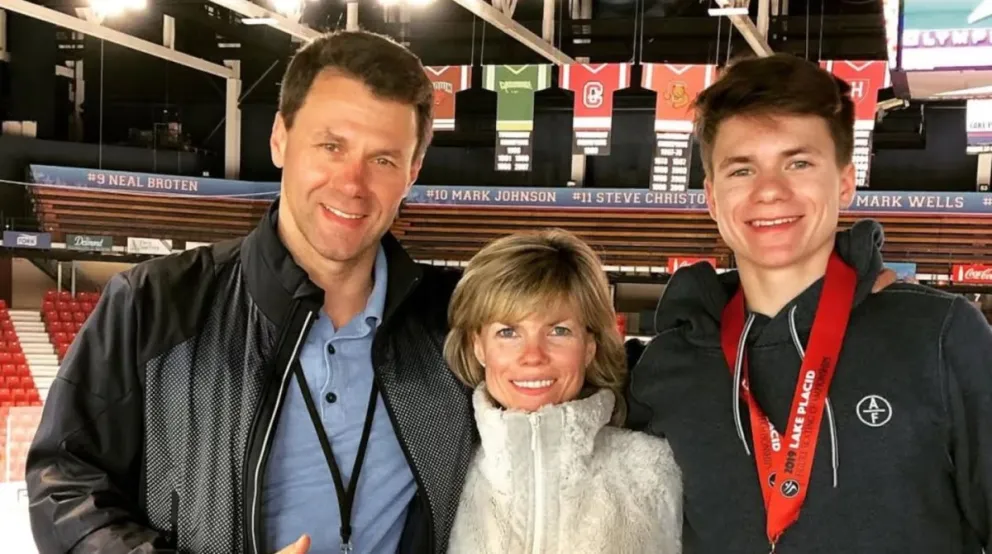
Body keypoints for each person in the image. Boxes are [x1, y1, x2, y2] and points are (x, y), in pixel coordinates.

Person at [25, 31, 477, 554]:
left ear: (412, 171)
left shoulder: (457, 322)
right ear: (280, 139)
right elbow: (64, 485)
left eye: (383, 159)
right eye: (331, 146)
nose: (352, 183)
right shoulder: (153, 304)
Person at [628, 53, 992, 554]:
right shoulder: (669, 364)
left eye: (798, 162)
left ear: (845, 181)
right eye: (742, 170)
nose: (770, 191)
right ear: (711, 197)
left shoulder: (940, 336)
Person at [444, 229, 682, 553]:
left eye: (558, 330)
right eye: (508, 331)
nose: (533, 355)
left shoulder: (657, 470)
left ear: (589, 346)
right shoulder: (441, 474)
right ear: (478, 347)